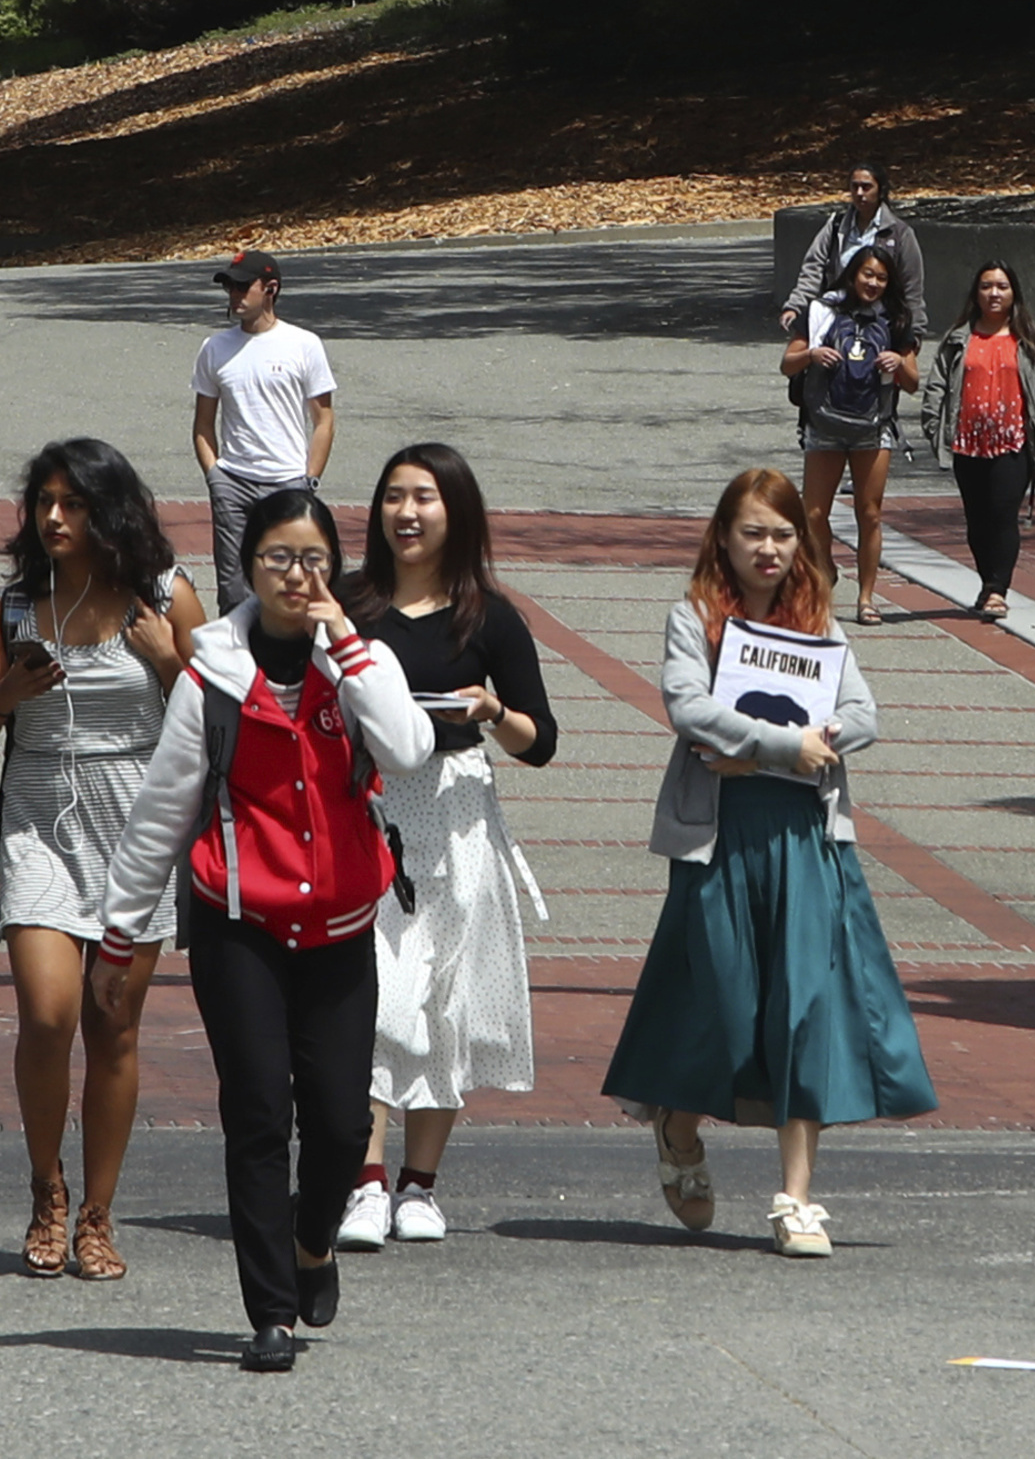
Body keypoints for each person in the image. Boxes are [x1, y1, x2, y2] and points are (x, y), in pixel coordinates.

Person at [96, 486, 434, 1373]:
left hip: (340, 928)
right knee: (257, 1113)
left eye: (315, 559)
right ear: (249, 566)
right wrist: (119, 935)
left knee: (334, 1121)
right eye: (281, 558)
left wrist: (346, 643)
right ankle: (271, 1311)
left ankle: (313, 1242)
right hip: (238, 925)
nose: (298, 575)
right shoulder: (210, 672)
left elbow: (407, 747)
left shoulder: (359, 661)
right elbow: (163, 810)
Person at [601, 468, 936, 1256]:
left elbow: (861, 716)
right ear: (723, 536)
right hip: (718, 840)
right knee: (723, 1001)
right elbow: (690, 709)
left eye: (783, 534)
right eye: (753, 532)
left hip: (806, 838)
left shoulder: (820, 624)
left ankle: (796, 1198)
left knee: (806, 1007)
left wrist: (790, 751)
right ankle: (678, 1127)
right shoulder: (694, 617)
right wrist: (786, 744)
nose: (769, 549)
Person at [0, 437, 202, 1281]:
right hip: (39, 825)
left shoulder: (164, 598)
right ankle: (45, 1190)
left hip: (139, 828)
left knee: (113, 1024)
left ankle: (98, 1214)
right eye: (44, 502)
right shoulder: (13, 609)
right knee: (50, 1013)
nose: (53, 518)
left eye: (74, 503)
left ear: (110, 511)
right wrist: (4, 698)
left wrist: (172, 667)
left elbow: (226, 724)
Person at [338, 442, 555, 1251]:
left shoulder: (489, 616)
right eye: (394, 496)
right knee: (374, 1000)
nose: (406, 513)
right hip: (376, 819)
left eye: (424, 497)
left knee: (446, 1007)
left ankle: (418, 1186)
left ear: (455, 510)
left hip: (459, 825)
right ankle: (363, 1180)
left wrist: (493, 712)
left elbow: (542, 741)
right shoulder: (352, 605)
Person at [189, 249, 338, 612]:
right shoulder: (214, 348)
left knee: (291, 581)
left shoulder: (304, 344)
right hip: (233, 484)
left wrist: (309, 480)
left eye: (243, 286)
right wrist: (215, 475)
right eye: (230, 287)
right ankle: (236, 662)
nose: (235, 295)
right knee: (233, 586)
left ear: (270, 288)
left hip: (287, 483)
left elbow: (324, 420)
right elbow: (203, 422)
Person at [913, 263, 1035, 620]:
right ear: (975, 294)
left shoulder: (1027, 338)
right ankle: (987, 582)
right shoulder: (958, 338)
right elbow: (936, 386)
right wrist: (935, 427)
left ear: (1014, 294)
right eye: (986, 286)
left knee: (1002, 514)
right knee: (977, 520)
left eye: (1002, 286)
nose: (994, 294)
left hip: (1014, 443)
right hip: (967, 443)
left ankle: (998, 589)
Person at [784, 244, 917, 624]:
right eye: (867, 274)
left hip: (873, 428)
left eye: (881, 278)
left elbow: (912, 382)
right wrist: (811, 354)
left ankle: (866, 597)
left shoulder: (896, 320)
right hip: (824, 422)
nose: (873, 283)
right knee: (812, 512)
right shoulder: (821, 311)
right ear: (852, 274)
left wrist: (898, 362)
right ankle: (824, 567)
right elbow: (786, 364)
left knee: (869, 513)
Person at [776, 161, 924, 355]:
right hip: (838, 316)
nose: (860, 193)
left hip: (880, 321)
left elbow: (912, 288)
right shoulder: (836, 226)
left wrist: (914, 332)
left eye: (866, 187)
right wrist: (795, 306)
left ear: (880, 190)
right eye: (855, 187)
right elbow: (813, 268)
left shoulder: (899, 234)